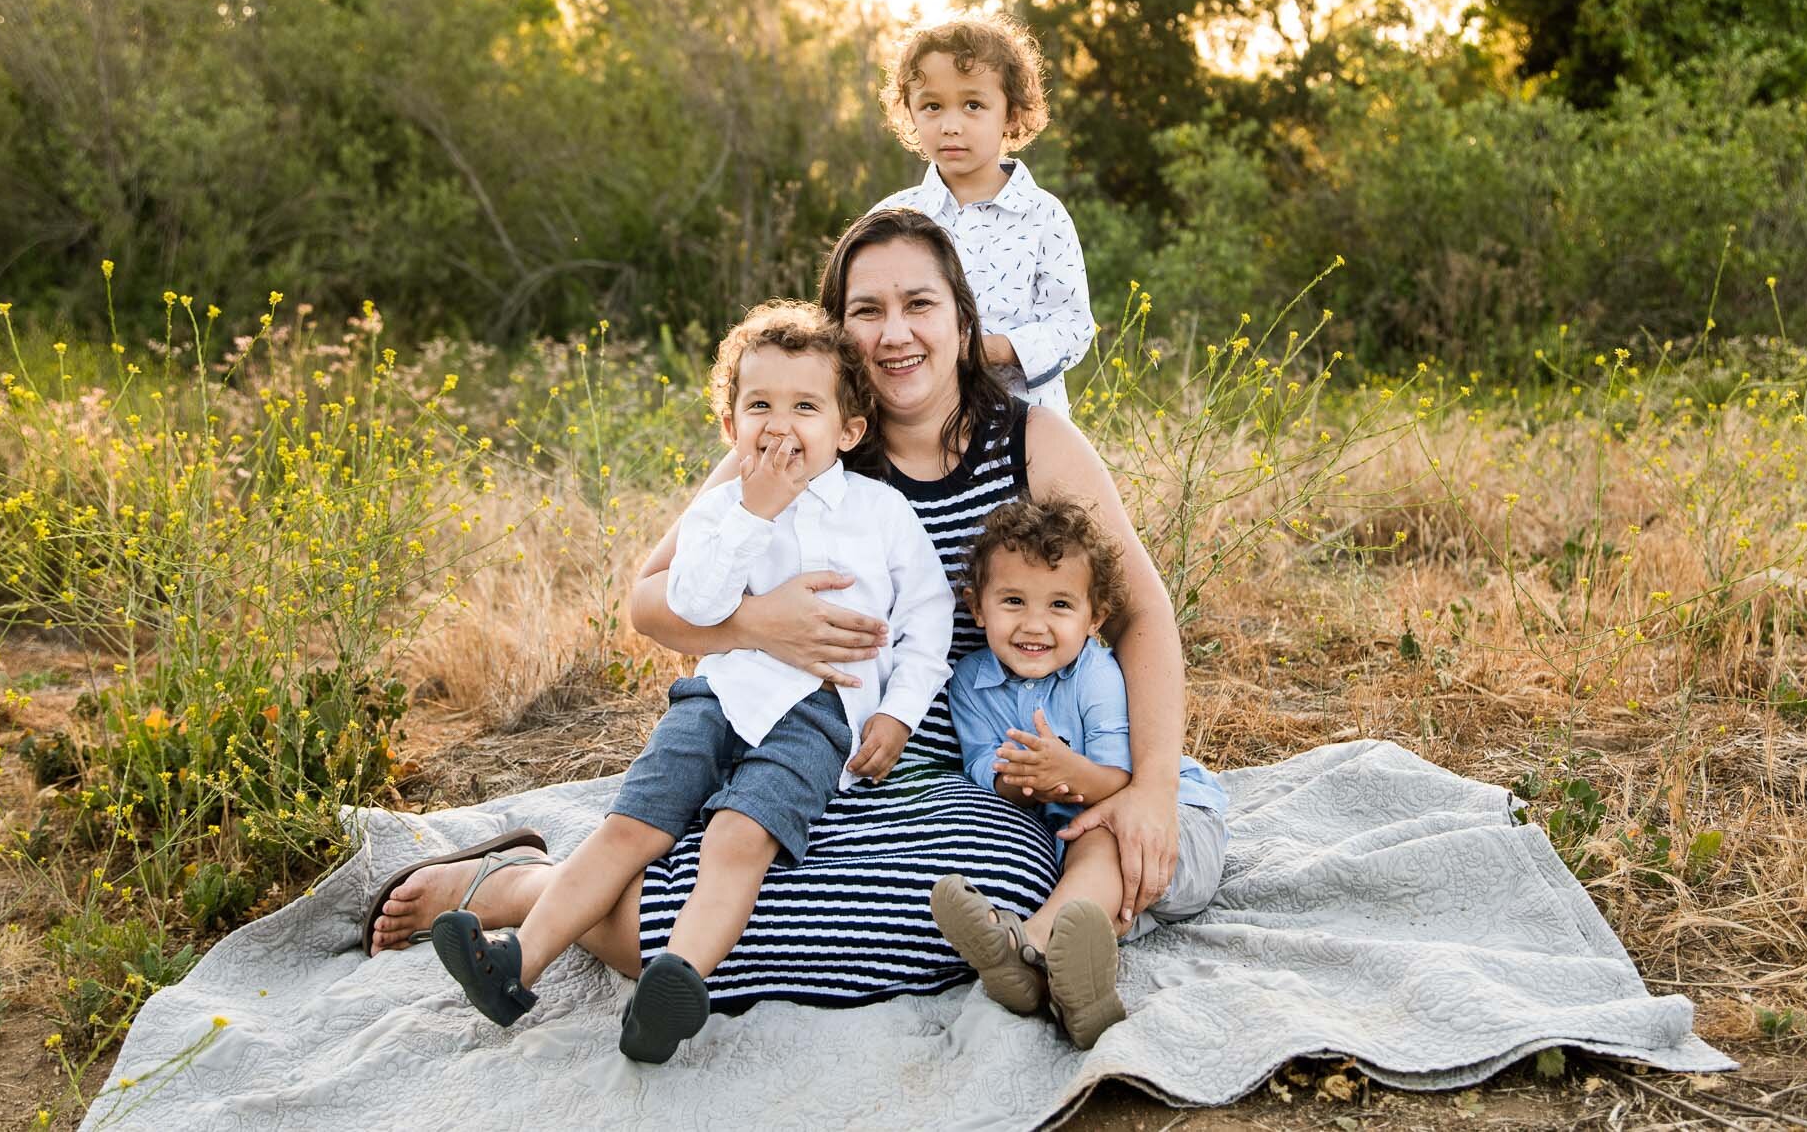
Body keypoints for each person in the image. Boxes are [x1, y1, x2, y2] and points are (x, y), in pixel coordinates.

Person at [362, 208, 1185, 1032]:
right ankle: (515, 887)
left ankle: (563, 899)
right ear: (839, 333)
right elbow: (650, 602)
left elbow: (1141, 612)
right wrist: (759, 624)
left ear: (963, 320)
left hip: (950, 775)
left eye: (920, 305)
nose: (895, 333)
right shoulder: (794, 435)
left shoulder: (1032, 442)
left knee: (995, 893)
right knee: (677, 917)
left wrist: (1151, 785)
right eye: (867, 311)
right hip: (796, 747)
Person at [421, 302, 953, 1062]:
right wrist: (754, 511)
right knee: (630, 826)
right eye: (758, 405)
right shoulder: (723, 508)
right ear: (731, 424)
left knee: (741, 838)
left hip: (820, 712)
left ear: (849, 429)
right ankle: (515, 963)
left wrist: (897, 715)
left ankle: (674, 981)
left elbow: (928, 624)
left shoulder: (883, 512)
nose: (780, 423)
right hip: (717, 695)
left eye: (805, 406)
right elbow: (692, 601)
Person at [931, 497, 1228, 1049]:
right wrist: (1016, 781)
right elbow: (981, 767)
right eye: (1013, 601)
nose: (1034, 625)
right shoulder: (970, 683)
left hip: (1172, 825)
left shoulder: (1095, 673)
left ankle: (1026, 944)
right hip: (1093, 857)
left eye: (1060, 605)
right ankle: (1076, 992)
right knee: (1087, 889)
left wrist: (1065, 773)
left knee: (1097, 838)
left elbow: (1121, 782)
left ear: (1094, 618)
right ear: (977, 607)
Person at [872, 14, 1092, 415]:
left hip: (1020, 425)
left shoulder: (1044, 216)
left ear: (1010, 114)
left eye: (973, 105)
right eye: (932, 106)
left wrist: (997, 349)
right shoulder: (892, 217)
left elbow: (1072, 325)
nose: (951, 125)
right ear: (910, 112)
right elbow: (860, 312)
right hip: (916, 428)